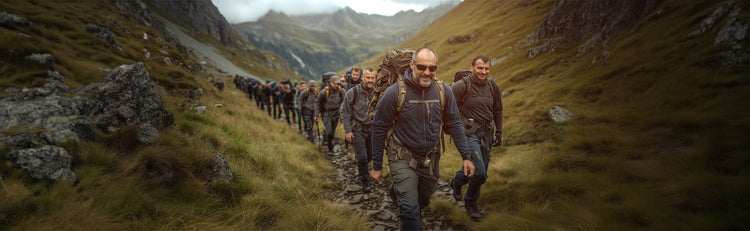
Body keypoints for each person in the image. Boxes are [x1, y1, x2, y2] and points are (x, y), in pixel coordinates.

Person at [370, 47, 475, 230]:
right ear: (411, 65)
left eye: (432, 68)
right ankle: (405, 201)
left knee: (423, 200)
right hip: (401, 156)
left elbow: (456, 123)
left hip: (430, 158)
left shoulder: (444, 91)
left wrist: (466, 156)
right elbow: (378, 129)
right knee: (410, 210)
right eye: (421, 67)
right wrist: (377, 166)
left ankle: (398, 193)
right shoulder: (394, 93)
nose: (427, 72)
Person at [448, 55, 503, 220]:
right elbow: (448, 108)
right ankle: (471, 202)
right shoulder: (461, 86)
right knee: (479, 173)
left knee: (481, 171)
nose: (483, 72)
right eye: (480, 68)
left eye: (487, 69)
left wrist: (499, 132)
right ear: (472, 68)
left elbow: (498, 110)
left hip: (487, 133)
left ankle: (457, 182)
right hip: (469, 134)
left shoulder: (492, 86)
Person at [340, 67, 376, 193]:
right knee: (362, 157)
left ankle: (362, 168)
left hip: (372, 130)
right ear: (362, 78)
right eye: (368, 77)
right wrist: (348, 131)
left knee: (371, 155)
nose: (370, 80)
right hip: (357, 129)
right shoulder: (353, 92)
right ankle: (365, 181)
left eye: (372, 78)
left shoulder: (377, 93)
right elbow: (344, 111)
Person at [315, 76, 344, 154]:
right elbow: (317, 102)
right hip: (326, 115)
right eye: (334, 83)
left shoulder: (341, 91)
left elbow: (346, 100)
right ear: (330, 83)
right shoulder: (324, 92)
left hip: (336, 115)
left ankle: (327, 140)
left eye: (337, 83)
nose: (336, 85)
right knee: (329, 132)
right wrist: (316, 114)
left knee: (332, 132)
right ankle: (330, 148)